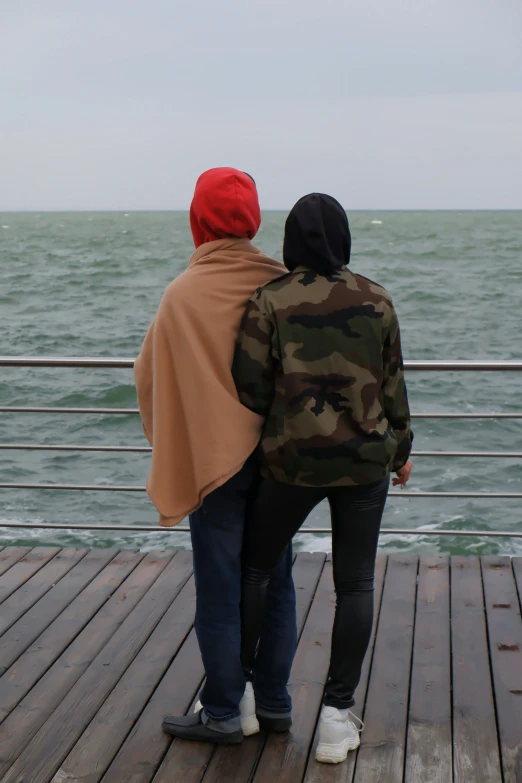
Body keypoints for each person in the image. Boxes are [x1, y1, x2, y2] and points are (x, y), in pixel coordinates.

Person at [232, 193, 413, 764]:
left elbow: (249, 387)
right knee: (355, 584)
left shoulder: (271, 300)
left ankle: (240, 696)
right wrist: (401, 449)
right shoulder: (377, 300)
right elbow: (392, 388)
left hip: (291, 465)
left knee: (257, 569)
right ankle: (336, 717)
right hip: (364, 467)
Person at [134, 168, 297, 745]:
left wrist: (182, 440)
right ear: (253, 221)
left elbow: (149, 376)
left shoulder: (182, 294)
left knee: (220, 586)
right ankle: (275, 703)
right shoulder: (282, 282)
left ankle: (226, 710)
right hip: (280, 463)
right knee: (276, 580)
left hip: (215, 465)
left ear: (197, 220)